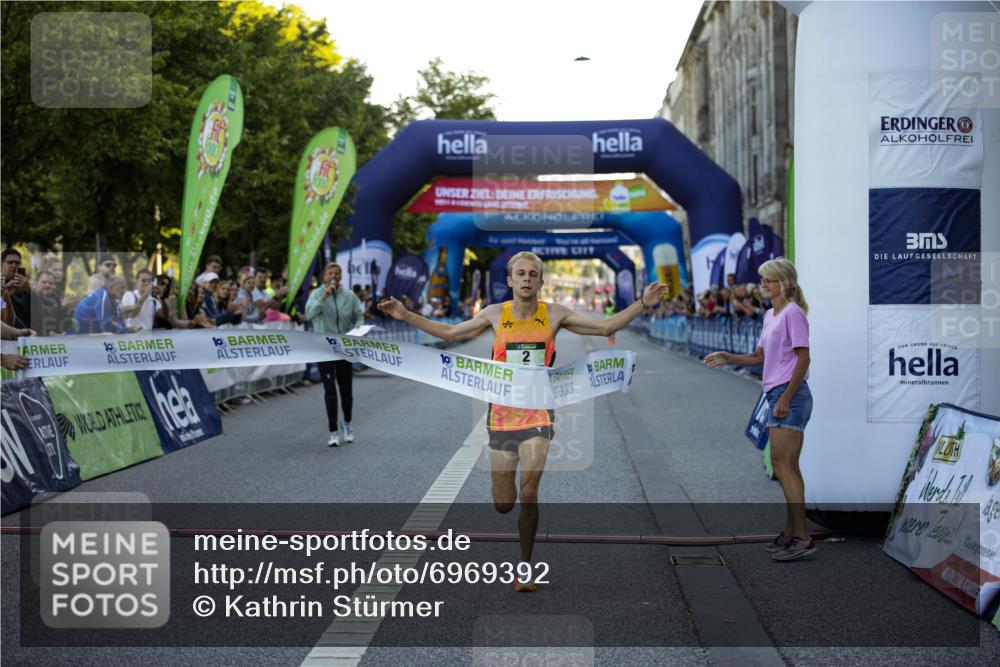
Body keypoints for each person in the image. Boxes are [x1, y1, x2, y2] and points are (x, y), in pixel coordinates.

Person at [379, 251, 669, 591]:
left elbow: (605, 326)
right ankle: (509, 507)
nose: (528, 278)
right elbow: (450, 332)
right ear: (511, 280)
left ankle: (526, 567)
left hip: (538, 413)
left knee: (529, 493)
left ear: (541, 281)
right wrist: (405, 314)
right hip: (501, 417)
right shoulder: (493, 314)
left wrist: (642, 303)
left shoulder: (555, 314)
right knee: (504, 504)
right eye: (522, 273)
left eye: (534, 274)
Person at [704, 257, 813, 562]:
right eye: (763, 279)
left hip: (790, 395)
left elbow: (804, 359)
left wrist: (786, 398)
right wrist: (728, 356)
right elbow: (758, 356)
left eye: (769, 279)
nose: (762, 284)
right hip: (776, 392)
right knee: (786, 466)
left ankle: (802, 537)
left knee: (783, 467)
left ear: (785, 284)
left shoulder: (793, 314)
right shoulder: (769, 315)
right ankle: (792, 531)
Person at [306, 262, 364, 447]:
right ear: (324, 276)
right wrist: (323, 297)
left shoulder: (349, 296)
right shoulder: (316, 295)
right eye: (331, 273)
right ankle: (333, 431)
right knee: (330, 391)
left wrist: (359, 329)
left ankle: (348, 424)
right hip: (325, 349)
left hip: (344, 348)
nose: (334, 276)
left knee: (346, 391)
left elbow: (359, 316)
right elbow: (309, 314)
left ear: (341, 276)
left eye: (338, 273)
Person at [22, 270, 67, 336]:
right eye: (44, 282)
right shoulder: (30, 297)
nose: (47, 285)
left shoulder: (56, 301)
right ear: (36, 282)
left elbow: (59, 326)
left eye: (51, 283)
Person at [1, 248, 30, 328]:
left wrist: (29, 289)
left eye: (17, 263)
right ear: (1, 264)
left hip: (25, 334)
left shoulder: (24, 288)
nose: (14, 265)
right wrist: (5, 292)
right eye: (10, 262)